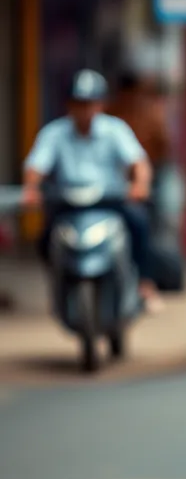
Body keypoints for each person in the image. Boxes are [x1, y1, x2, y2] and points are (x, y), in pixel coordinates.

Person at [22, 69, 162, 313]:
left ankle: (144, 285)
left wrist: (140, 185)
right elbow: (36, 166)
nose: (85, 110)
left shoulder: (115, 130)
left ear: (101, 105)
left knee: (139, 224)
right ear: (69, 104)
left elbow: (138, 163)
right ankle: (59, 285)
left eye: (90, 103)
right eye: (79, 103)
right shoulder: (55, 133)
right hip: (69, 205)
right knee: (45, 240)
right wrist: (31, 188)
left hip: (110, 202)